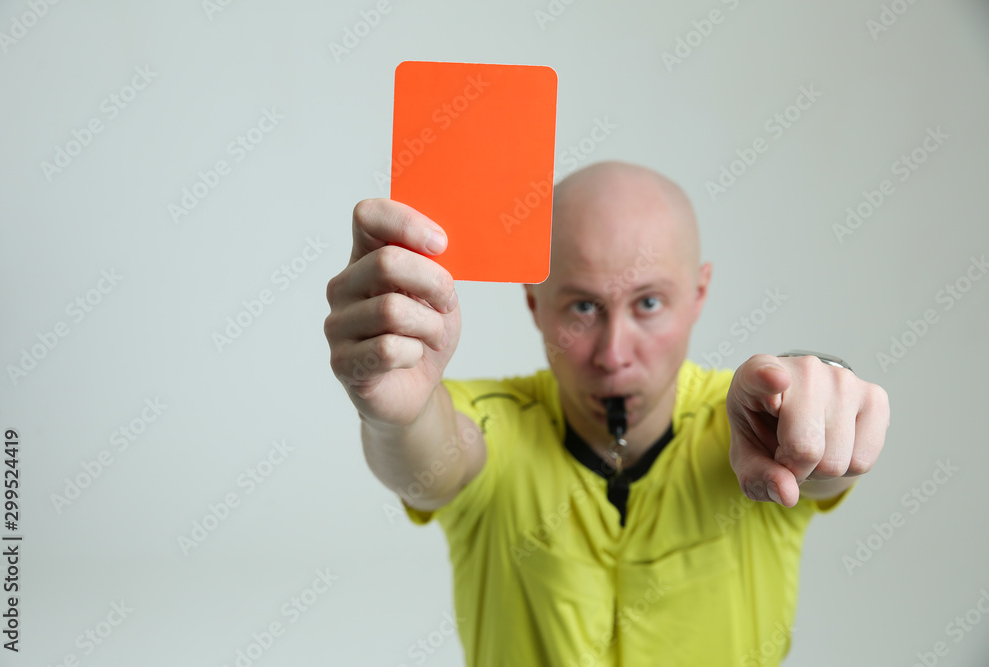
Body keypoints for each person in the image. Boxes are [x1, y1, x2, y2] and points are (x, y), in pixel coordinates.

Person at [324, 161, 890, 666]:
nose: (614, 354)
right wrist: (394, 416)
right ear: (533, 304)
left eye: (648, 303)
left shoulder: (750, 427)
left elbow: (810, 446)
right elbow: (429, 455)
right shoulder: (492, 420)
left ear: (698, 294)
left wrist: (816, 396)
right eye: (584, 306)